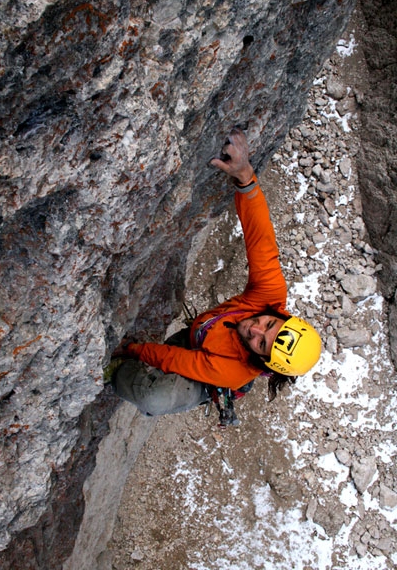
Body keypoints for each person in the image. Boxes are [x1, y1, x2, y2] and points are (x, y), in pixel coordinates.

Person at [106, 128, 321, 423]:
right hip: (205, 337)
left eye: (261, 344)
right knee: (173, 350)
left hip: (209, 370)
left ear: (262, 362)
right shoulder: (268, 297)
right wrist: (246, 179)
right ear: (281, 315)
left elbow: (177, 359)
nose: (254, 329)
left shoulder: (235, 369)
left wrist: (129, 351)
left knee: (153, 397)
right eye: (269, 324)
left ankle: (117, 374)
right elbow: (261, 243)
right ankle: (178, 342)